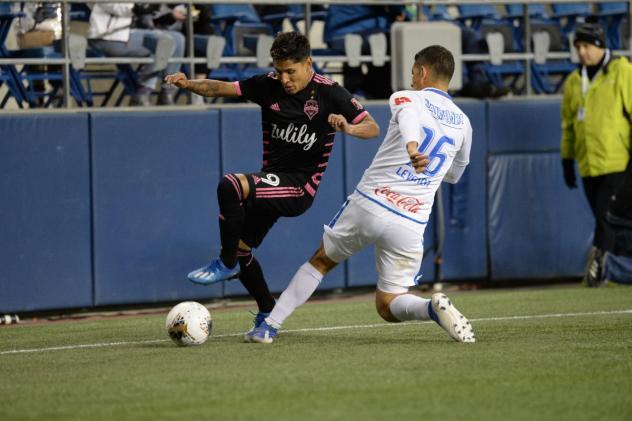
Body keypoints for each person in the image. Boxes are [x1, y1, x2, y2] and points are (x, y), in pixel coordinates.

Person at [247, 45, 476, 344]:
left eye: (412, 74)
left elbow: (407, 116)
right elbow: (455, 175)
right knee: (389, 302)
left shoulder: (407, 97)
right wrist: (426, 163)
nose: (411, 80)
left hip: (371, 202)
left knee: (320, 262)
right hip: (411, 220)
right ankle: (429, 308)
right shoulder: (464, 123)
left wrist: (411, 147)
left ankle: (268, 327)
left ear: (422, 72)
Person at [164, 32, 380, 338]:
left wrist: (348, 127)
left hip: (299, 189)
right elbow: (220, 87)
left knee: (231, 186)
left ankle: (224, 264)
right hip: (272, 183)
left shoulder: (331, 93)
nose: (284, 79)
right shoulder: (267, 85)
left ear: (308, 64)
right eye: (279, 71)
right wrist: (188, 85)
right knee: (243, 250)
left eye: (290, 71)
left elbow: (372, 128)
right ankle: (267, 311)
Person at [560, 22, 632, 286]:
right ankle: (606, 270)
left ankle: (598, 271)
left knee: (607, 218)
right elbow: (568, 126)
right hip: (588, 165)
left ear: (600, 46)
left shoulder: (622, 71)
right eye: (578, 46)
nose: (581, 52)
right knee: (605, 219)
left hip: (618, 162)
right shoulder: (573, 81)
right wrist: (566, 160)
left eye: (586, 46)